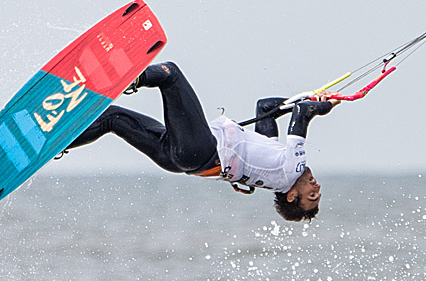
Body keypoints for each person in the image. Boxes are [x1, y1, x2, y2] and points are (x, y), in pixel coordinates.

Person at [64, 62, 339, 221]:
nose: (316, 186)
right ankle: (60, 140)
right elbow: (266, 107)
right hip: (183, 158)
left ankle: (126, 77)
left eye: (311, 195)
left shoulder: (290, 171)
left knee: (170, 75)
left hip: (200, 150)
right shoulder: (275, 163)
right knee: (112, 119)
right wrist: (303, 99)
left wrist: (324, 105)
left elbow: (303, 115)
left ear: (292, 195)